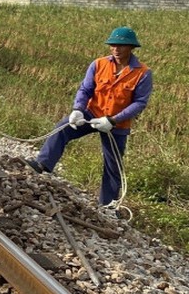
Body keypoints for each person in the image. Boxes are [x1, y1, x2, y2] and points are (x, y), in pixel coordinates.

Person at [27, 27, 153, 209]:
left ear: (131, 47)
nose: (116, 49)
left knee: (113, 164)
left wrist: (113, 120)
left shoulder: (143, 73)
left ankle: (108, 205)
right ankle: (43, 164)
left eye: (121, 46)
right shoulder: (99, 64)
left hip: (117, 124)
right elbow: (85, 89)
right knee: (63, 128)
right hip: (92, 113)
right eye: (113, 46)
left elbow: (139, 103)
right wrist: (78, 109)